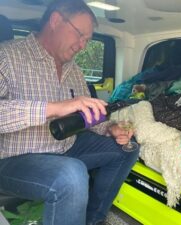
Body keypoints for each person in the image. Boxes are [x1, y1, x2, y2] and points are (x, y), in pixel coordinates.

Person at [0, 0, 139, 225]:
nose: (82, 45)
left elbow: (88, 116)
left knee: (128, 147)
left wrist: (109, 128)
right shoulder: (6, 57)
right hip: (14, 159)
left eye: (87, 40)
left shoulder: (74, 70)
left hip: (67, 148)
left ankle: (93, 219)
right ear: (55, 20)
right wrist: (54, 107)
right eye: (79, 34)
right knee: (71, 175)